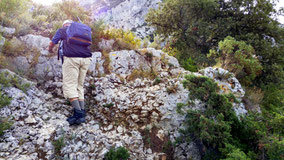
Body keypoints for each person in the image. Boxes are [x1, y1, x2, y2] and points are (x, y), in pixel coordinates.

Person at [48, 20, 92, 125]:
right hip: (86, 59)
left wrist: (50, 49)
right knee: (79, 86)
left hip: (72, 59)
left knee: (69, 86)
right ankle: (81, 112)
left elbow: (52, 43)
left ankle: (79, 114)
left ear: (64, 25)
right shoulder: (82, 31)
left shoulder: (62, 30)